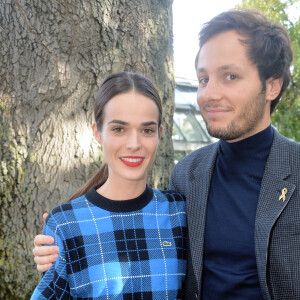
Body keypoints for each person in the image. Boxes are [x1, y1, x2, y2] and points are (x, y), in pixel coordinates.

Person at [33, 9, 300, 299]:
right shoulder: (187, 175)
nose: (209, 93)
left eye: (230, 76)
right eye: (203, 79)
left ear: (271, 85)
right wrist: (64, 242)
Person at [31, 72, 187, 299]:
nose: (134, 144)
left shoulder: (179, 212)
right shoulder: (65, 224)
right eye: (119, 129)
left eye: (147, 130)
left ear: (159, 135)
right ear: (97, 132)